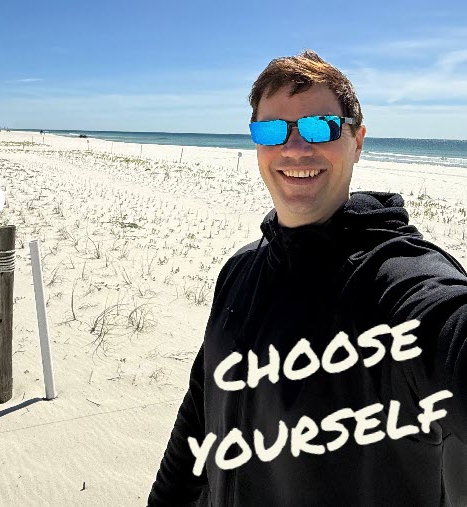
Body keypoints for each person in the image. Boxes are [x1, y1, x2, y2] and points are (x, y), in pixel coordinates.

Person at [148, 50, 467, 506]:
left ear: (357, 140)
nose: (295, 149)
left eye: (320, 127)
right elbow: (201, 413)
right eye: (273, 130)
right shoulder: (240, 271)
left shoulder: (397, 283)